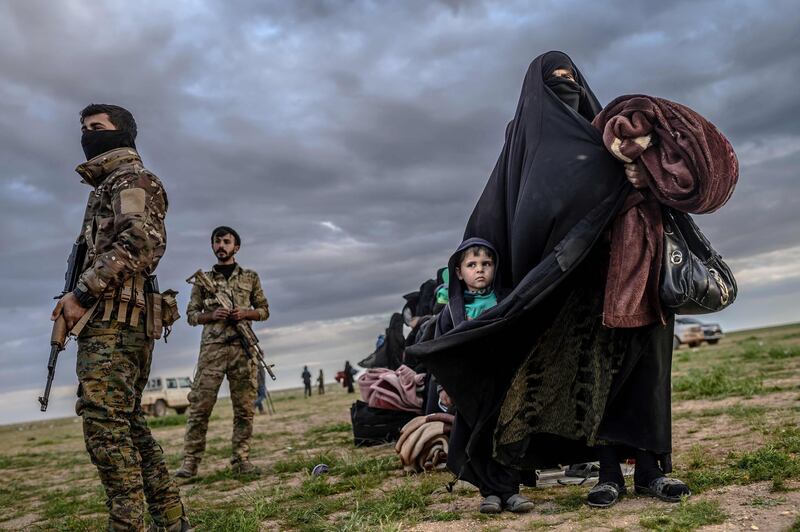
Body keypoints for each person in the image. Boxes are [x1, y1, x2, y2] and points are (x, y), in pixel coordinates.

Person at [408, 51, 690, 512]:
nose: (566, 86)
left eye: (570, 78)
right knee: (595, 381)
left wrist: (642, 174)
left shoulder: (609, 136)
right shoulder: (523, 140)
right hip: (578, 287)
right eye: (554, 80)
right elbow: (513, 209)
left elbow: (668, 184)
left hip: (641, 271)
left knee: (648, 374)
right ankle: (608, 474)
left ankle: (653, 472)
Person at [50, 103, 189, 530]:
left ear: (122, 134)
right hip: (111, 318)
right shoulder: (108, 186)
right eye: (84, 129)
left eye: (97, 128)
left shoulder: (133, 180)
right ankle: (170, 518)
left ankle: (128, 523)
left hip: (118, 320)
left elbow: (141, 242)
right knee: (125, 421)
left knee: (104, 426)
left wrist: (80, 293)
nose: (88, 135)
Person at [434, 238, 533, 514]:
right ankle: (489, 493)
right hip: (469, 390)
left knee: (507, 437)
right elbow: (441, 351)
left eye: (486, 264)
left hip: (505, 384)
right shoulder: (451, 312)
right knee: (476, 440)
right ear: (458, 271)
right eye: (472, 264)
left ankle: (511, 492)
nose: (480, 270)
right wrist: (445, 386)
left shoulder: (506, 300)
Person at [176, 226, 270, 478]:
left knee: (244, 408)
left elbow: (263, 310)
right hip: (213, 350)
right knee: (199, 408)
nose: (221, 246)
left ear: (236, 247)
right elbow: (191, 316)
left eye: (226, 242)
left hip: (243, 349)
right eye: (217, 242)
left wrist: (245, 313)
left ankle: (241, 460)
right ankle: (190, 463)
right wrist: (211, 315)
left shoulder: (250, 277)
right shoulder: (203, 281)